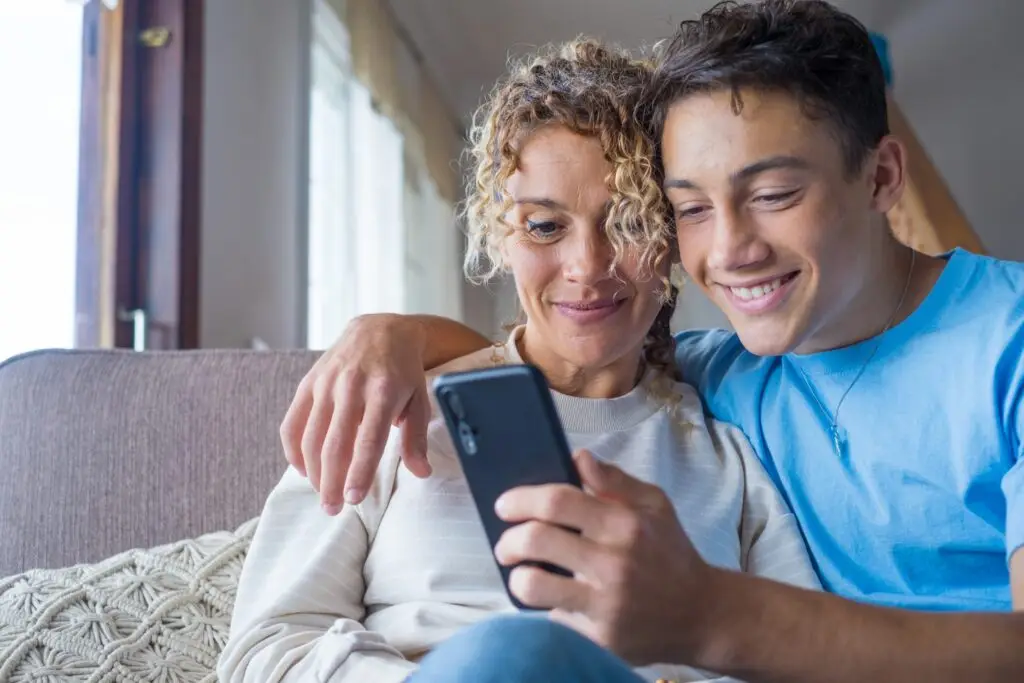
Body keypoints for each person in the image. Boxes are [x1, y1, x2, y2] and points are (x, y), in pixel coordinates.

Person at [279, 1, 1024, 681]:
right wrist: (389, 334)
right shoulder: (728, 370)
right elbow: (571, 359)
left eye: (772, 195)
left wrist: (708, 617)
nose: (731, 249)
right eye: (692, 207)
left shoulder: (994, 343)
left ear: (883, 175)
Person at [219, 38, 820, 683]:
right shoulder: (388, 403)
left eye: (628, 221)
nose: (587, 266)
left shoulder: (727, 455)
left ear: (672, 238)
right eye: (544, 227)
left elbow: (805, 661)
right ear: (501, 235)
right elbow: (266, 649)